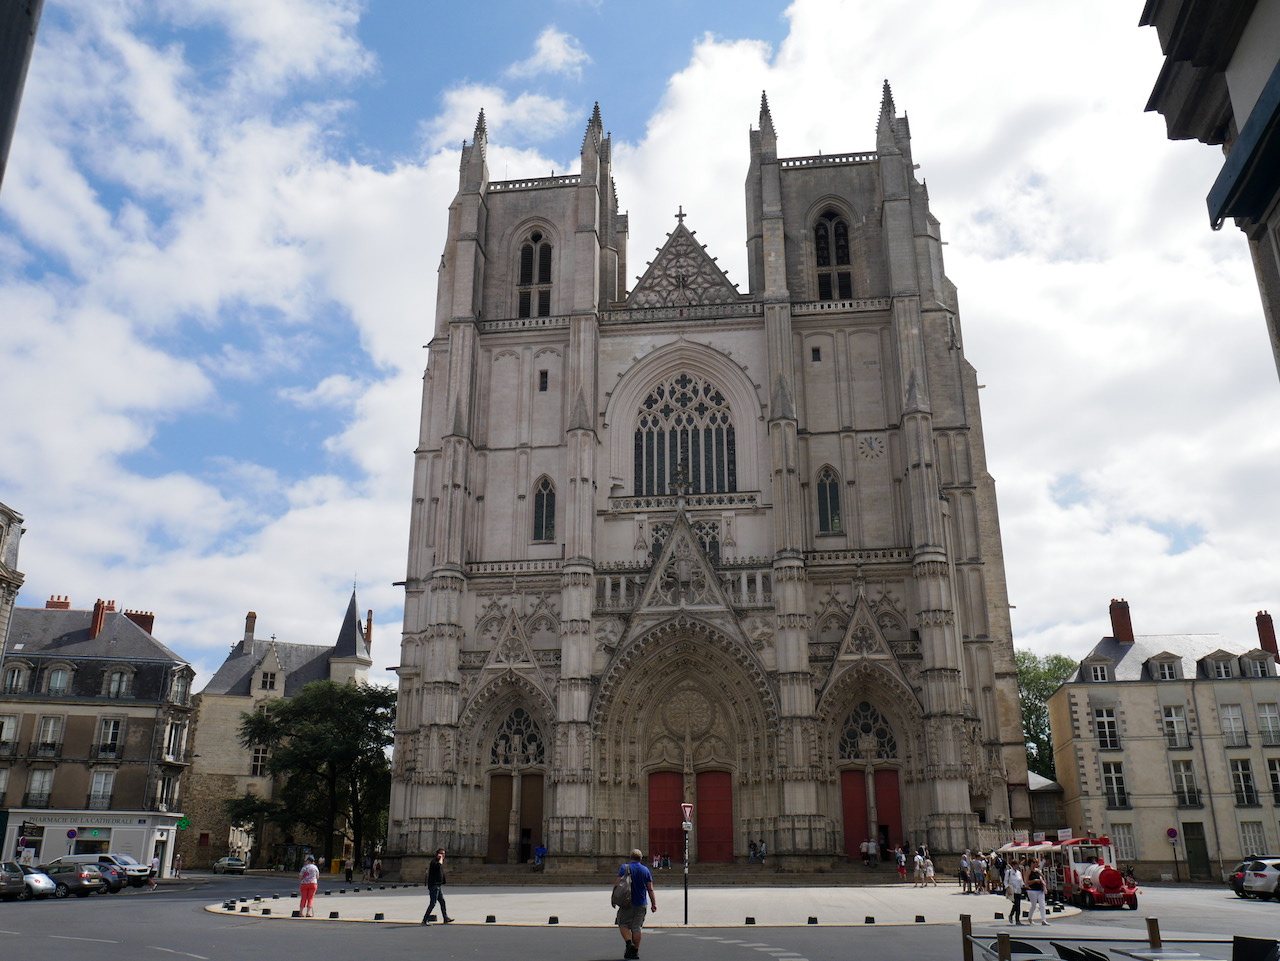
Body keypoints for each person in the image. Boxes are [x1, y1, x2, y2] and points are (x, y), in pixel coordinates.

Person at [614, 847, 656, 960]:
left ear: (630, 857)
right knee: (637, 928)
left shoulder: (624, 867)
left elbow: (617, 885)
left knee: (622, 924)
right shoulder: (645, 870)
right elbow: (650, 889)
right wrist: (653, 904)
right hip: (641, 902)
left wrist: (614, 898)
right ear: (641, 859)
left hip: (626, 902)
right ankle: (635, 952)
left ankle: (629, 944)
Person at [421, 848, 454, 924]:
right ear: (438, 855)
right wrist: (440, 859)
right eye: (441, 854)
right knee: (433, 903)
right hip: (434, 886)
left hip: (438, 886)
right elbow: (439, 865)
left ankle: (445, 918)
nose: (443, 855)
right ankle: (425, 919)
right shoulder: (434, 862)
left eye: (444, 854)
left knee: (442, 902)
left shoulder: (438, 862)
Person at [1004, 858, 1025, 925]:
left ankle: (1011, 915)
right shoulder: (1009, 872)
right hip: (1012, 890)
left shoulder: (1019, 872)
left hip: (1018, 890)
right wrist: (1007, 888)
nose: (1018, 866)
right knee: (1017, 905)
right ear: (1013, 865)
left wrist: (1024, 885)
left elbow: (1021, 881)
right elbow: (1005, 881)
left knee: (1017, 905)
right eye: (1016, 864)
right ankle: (1017, 920)